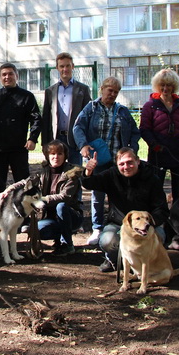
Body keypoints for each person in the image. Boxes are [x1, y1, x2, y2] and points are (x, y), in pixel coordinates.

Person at [72, 76, 140, 246]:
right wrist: (83, 145)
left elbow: (134, 132)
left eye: (116, 92)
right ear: (102, 89)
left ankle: (120, 226)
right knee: (98, 194)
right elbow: (78, 127)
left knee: (121, 193)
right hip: (98, 159)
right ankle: (97, 228)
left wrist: (132, 149)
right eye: (110, 90)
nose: (113, 94)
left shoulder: (122, 111)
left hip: (119, 161)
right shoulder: (91, 108)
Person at [81, 147, 169, 272]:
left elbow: (162, 209)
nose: (126, 167)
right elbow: (89, 183)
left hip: (146, 225)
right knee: (107, 240)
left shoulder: (152, 179)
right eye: (121, 164)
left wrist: (148, 224)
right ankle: (115, 260)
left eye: (130, 162)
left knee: (159, 236)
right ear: (117, 165)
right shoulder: (112, 175)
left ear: (138, 161)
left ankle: (145, 264)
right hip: (118, 224)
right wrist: (88, 172)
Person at [5, 140, 83, 255]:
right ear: (48, 156)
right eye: (52, 154)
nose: (56, 157)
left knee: (61, 206)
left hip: (72, 216)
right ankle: (58, 241)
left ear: (65, 156)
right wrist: (10, 189)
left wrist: (42, 199)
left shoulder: (72, 174)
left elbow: (64, 197)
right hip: (50, 217)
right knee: (37, 231)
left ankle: (68, 244)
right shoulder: (44, 171)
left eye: (59, 154)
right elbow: (27, 182)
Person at [139, 68, 179, 203]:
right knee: (156, 189)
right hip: (158, 152)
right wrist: (153, 144)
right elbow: (144, 129)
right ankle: (159, 217)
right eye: (162, 85)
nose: (165, 88)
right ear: (157, 86)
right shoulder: (150, 106)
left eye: (168, 85)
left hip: (178, 151)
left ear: (174, 86)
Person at [0, 62, 41, 192]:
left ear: (17, 75)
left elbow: (36, 119)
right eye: (4, 75)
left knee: (22, 184)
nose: (7, 77)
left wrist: (33, 139)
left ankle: (22, 211)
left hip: (19, 148)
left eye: (10, 74)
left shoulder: (27, 97)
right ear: (0, 77)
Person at [41, 52, 92, 164]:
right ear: (57, 68)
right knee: (56, 172)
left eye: (68, 65)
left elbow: (89, 117)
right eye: (62, 66)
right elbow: (45, 118)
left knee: (75, 172)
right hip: (56, 138)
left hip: (75, 139)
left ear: (72, 66)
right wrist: (44, 143)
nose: (65, 69)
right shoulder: (50, 91)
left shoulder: (82, 89)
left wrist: (85, 141)